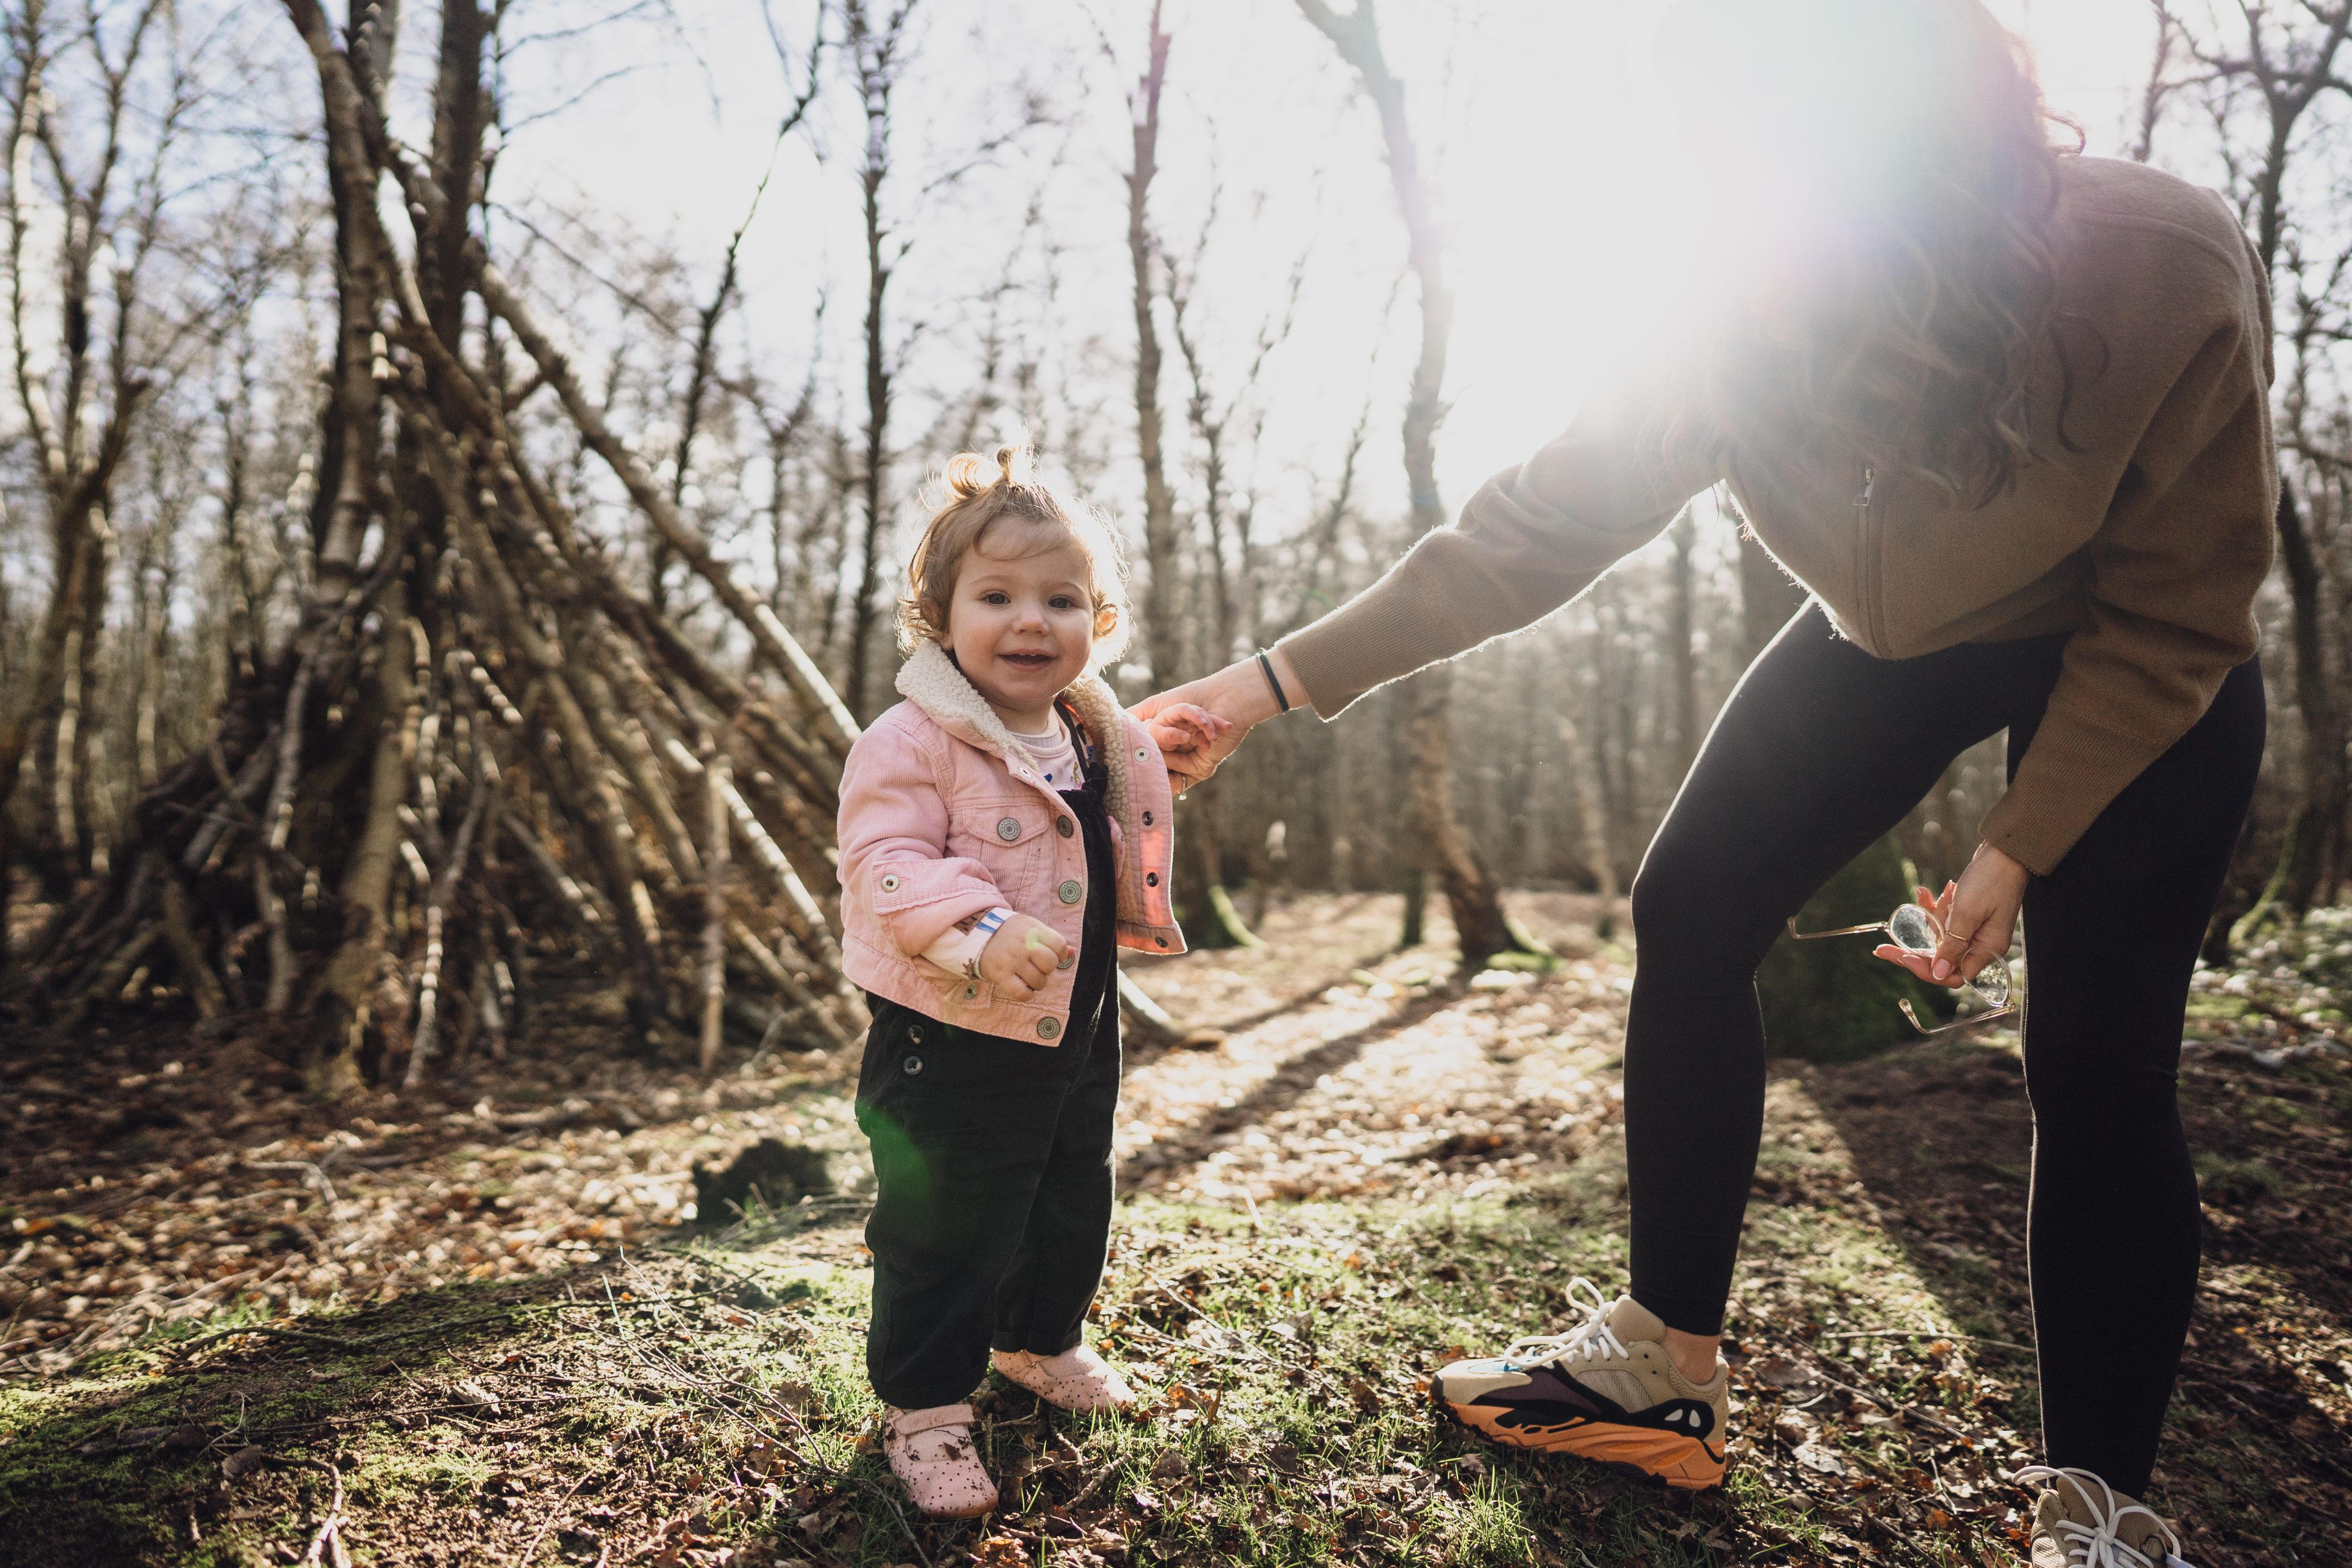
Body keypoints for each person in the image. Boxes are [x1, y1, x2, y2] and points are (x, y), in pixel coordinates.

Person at [1139, 2, 2270, 1561]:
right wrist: (1265, 683)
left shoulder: (2157, 258)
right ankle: (1662, 1367)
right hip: (1891, 636)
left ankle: (2102, 1512)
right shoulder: (1727, 285)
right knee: (1691, 905)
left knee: (2093, 1051)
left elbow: (2182, 608)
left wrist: (2017, 849)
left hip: (2137, 655)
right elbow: (1538, 526)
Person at [837, 447, 1225, 1517]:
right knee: (946, 1221)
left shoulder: (1090, 731)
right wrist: (977, 926)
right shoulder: (912, 740)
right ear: (940, 618)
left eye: (1060, 599)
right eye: (996, 595)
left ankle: (1038, 1342)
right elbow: (885, 865)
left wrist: (1160, 748)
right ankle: (923, 1406)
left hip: (1074, 1026)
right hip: (951, 1036)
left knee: (1067, 1194)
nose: (1029, 621)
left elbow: (1109, 808)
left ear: (1096, 623)